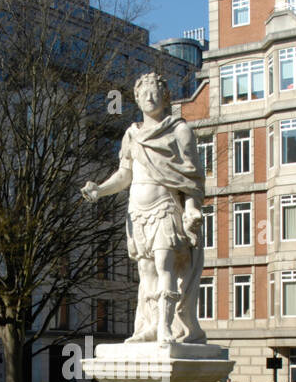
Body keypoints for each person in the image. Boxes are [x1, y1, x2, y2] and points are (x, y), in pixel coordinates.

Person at [81, 72, 205, 345]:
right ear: (136, 99)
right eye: (143, 93)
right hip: (137, 211)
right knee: (146, 272)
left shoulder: (179, 131)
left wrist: (192, 208)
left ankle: (165, 326)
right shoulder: (132, 134)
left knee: (164, 265)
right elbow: (124, 174)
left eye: (155, 92)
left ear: (166, 97)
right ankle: (149, 325)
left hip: (164, 207)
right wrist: (100, 189)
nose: (149, 98)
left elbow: (192, 179)